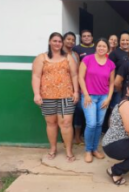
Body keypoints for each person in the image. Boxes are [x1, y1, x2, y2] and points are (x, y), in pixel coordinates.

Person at [31, 32, 79, 162]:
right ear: (49, 42)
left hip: (66, 96)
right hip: (47, 96)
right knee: (51, 123)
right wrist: (36, 93)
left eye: (59, 41)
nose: (57, 43)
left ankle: (68, 150)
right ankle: (53, 148)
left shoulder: (68, 57)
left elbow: (74, 75)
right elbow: (36, 76)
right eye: (55, 41)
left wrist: (76, 92)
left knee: (67, 123)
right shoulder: (41, 58)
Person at [79, 38, 116, 163]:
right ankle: (88, 150)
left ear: (107, 48)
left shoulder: (110, 64)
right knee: (91, 124)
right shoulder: (87, 59)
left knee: (99, 124)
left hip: (103, 97)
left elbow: (111, 84)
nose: (101, 48)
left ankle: (95, 149)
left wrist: (109, 98)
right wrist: (86, 94)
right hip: (89, 97)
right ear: (96, 47)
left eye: (104, 46)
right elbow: (80, 78)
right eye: (99, 46)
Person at [63, 32, 83, 145]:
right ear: (64, 40)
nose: (70, 41)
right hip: (64, 89)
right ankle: (67, 140)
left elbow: (78, 71)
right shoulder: (59, 54)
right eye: (68, 39)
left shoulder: (75, 54)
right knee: (66, 115)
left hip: (75, 87)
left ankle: (77, 137)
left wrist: (78, 88)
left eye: (72, 40)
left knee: (79, 111)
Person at [108, 31, 129, 107]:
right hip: (118, 88)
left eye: (127, 40)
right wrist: (117, 86)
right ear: (119, 41)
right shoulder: (114, 53)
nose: (125, 42)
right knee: (116, 110)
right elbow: (109, 71)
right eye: (123, 40)